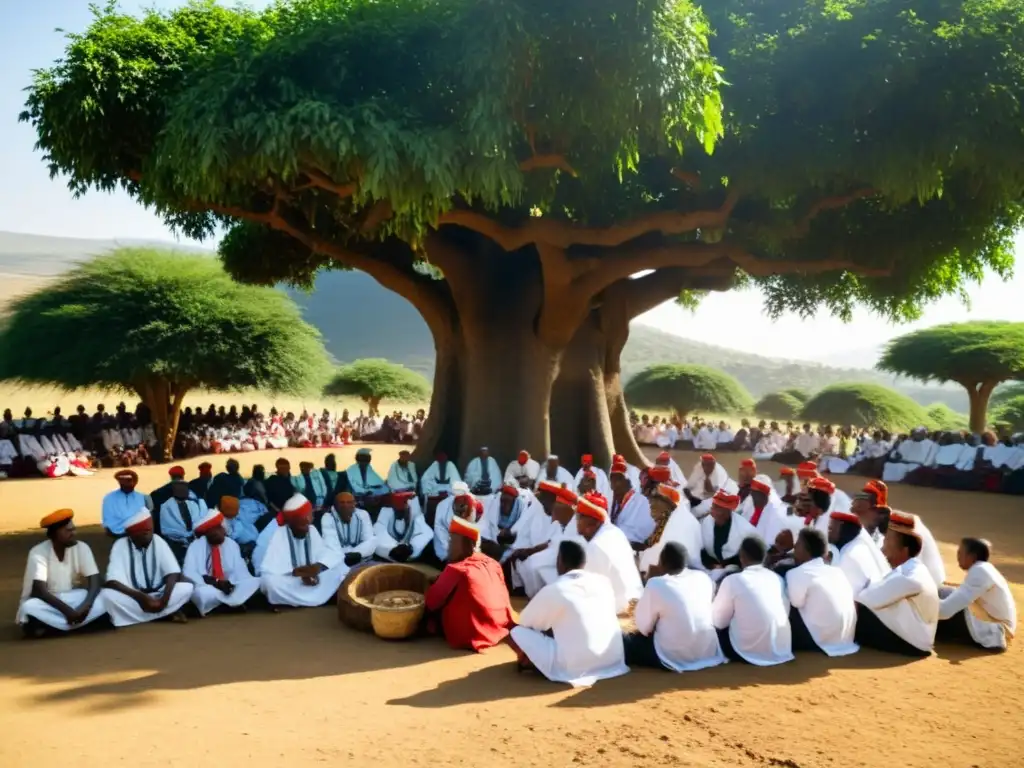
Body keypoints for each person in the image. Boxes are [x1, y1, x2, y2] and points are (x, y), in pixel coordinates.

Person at [508, 540, 629, 687]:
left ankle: (532, 663)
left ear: (560, 562)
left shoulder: (556, 588)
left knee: (517, 631)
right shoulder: (603, 582)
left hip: (575, 668)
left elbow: (526, 621)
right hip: (612, 661)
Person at [626, 542, 726, 671]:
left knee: (625, 642)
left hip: (672, 657)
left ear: (662, 562)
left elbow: (644, 628)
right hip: (706, 652)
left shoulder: (656, 584)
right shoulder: (704, 578)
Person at [854, 512, 939, 657]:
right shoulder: (908, 569)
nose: (882, 547)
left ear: (904, 549)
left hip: (912, 643)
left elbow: (866, 599)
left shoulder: (910, 577)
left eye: (887, 540)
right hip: (915, 639)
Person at [424, 517, 515, 651]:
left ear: (467, 544)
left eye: (452, 541)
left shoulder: (457, 570)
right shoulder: (493, 563)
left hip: (470, 634)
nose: (448, 546)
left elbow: (431, 602)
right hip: (498, 625)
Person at [16, 509, 106, 636]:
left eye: (73, 529)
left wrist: (85, 606)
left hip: (73, 599)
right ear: (54, 534)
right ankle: (78, 625)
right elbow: (39, 591)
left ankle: (56, 628)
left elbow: (95, 581)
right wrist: (69, 612)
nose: (73, 533)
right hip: (49, 601)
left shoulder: (82, 547)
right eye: (68, 531)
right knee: (29, 607)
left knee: (106, 597)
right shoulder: (38, 552)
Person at [102, 510, 194, 627]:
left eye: (150, 531)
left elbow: (173, 573)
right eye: (144, 532)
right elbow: (113, 581)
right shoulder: (120, 545)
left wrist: (164, 602)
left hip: (159, 595)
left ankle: (152, 614)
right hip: (134, 597)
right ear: (132, 535)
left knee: (186, 587)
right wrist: (141, 598)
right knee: (107, 595)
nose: (149, 535)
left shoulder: (158, 540)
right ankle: (165, 614)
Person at [712, 537, 794, 665]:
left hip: (746, 652)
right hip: (781, 648)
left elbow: (718, 622)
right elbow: (785, 611)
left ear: (741, 557)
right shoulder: (777, 578)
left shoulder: (733, 580)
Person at [257, 494, 347, 607]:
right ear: (291, 522)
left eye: (308, 523)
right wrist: (298, 573)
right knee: (268, 582)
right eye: (302, 524)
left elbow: (322, 554)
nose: (306, 527)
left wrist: (316, 569)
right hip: (291, 580)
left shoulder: (311, 530)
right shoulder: (278, 533)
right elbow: (270, 568)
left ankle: (294, 601)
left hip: (312, 578)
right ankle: (324, 597)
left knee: (339, 569)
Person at [785, 528, 859, 656]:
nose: (795, 547)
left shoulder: (797, 572)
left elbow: (795, 603)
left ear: (806, 550)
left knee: (782, 601)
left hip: (818, 642)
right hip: (846, 640)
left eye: (798, 544)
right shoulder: (837, 571)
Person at [937, 537, 1016, 651]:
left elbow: (945, 611)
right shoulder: (984, 568)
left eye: (960, 553)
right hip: (993, 622)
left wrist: (923, 603)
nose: (957, 556)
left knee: (941, 597)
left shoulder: (979, 571)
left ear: (972, 556)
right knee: (944, 592)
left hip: (996, 631)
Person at [182, 509, 261, 616]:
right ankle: (230, 605)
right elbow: (189, 573)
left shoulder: (232, 544)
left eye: (219, 528)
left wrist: (231, 584)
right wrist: (215, 582)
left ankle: (223, 605)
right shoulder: (196, 546)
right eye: (212, 530)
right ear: (206, 532)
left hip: (229, 586)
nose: (216, 533)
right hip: (207, 586)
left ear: (224, 530)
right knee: (202, 594)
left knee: (255, 582)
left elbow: (240, 571)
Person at [574, 491, 643, 614]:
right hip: (635, 605)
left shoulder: (596, 547)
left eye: (579, 517)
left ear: (592, 522)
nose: (576, 521)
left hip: (621, 614)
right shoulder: (616, 532)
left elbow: (586, 592)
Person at [514, 484, 580, 597]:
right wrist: (530, 551)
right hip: (554, 554)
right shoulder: (562, 523)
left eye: (558, 505)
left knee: (535, 564)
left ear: (567, 508)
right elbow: (551, 542)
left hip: (566, 562)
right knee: (529, 561)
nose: (554, 509)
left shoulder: (576, 525)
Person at [638, 484, 702, 576]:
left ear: (668, 504)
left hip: (678, 573)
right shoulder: (665, 519)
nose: (650, 504)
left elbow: (656, 559)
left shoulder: (678, 523)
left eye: (656, 500)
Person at [701, 489, 759, 583]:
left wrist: (726, 566)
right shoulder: (707, 522)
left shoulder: (744, 529)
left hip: (735, 572)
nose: (712, 509)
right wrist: (712, 565)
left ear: (726, 512)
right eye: (713, 506)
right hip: (711, 568)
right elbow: (702, 549)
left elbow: (751, 555)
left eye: (716, 507)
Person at [828, 509, 889, 597]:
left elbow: (844, 597)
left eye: (830, 528)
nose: (828, 532)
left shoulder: (850, 556)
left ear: (842, 527)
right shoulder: (853, 547)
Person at [159, 478, 210, 562]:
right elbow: (166, 528)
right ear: (175, 491)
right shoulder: (167, 506)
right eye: (182, 489)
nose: (186, 491)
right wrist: (186, 537)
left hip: (198, 542)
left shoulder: (194, 503)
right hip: (178, 546)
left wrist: (195, 535)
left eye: (186, 489)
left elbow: (202, 519)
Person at [374, 491, 433, 562]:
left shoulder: (416, 515)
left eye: (403, 510)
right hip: (390, 554)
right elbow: (379, 532)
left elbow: (424, 532)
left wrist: (412, 547)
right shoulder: (386, 512)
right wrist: (392, 548)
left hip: (411, 556)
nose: (400, 513)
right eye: (398, 511)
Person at [321, 491, 377, 568]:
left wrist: (357, 554)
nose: (346, 506)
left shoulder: (362, 514)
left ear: (355, 504)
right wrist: (348, 556)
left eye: (349, 502)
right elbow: (332, 546)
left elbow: (370, 540)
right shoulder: (327, 518)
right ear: (335, 505)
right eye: (342, 503)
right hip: (338, 563)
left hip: (361, 559)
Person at [608, 461, 655, 547]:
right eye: (612, 480)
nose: (612, 486)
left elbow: (640, 533)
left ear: (629, 482)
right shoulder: (613, 502)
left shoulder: (642, 503)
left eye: (618, 480)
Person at [479, 483, 529, 562]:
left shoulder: (522, 511)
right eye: (502, 501)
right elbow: (484, 529)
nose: (503, 505)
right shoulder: (492, 506)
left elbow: (522, 538)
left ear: (514, 503)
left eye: (507, 502)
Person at [101, 469, 152, 537]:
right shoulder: (109, 498)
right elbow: (107, 519)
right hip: (116, 532)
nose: (128, 484)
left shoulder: (144, 497)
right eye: (124, 482)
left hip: (139, 532)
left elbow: (149, 516)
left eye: (130, 481)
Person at [346, 447, 391, 515]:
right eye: (363, 460)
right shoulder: (351, 470)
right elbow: (354, 486)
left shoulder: (369, 468)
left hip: (369, 494)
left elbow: (378, 482)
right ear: (358, 460)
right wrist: (366, 491)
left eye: (366, 461)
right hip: (357, 495)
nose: (365, 463)